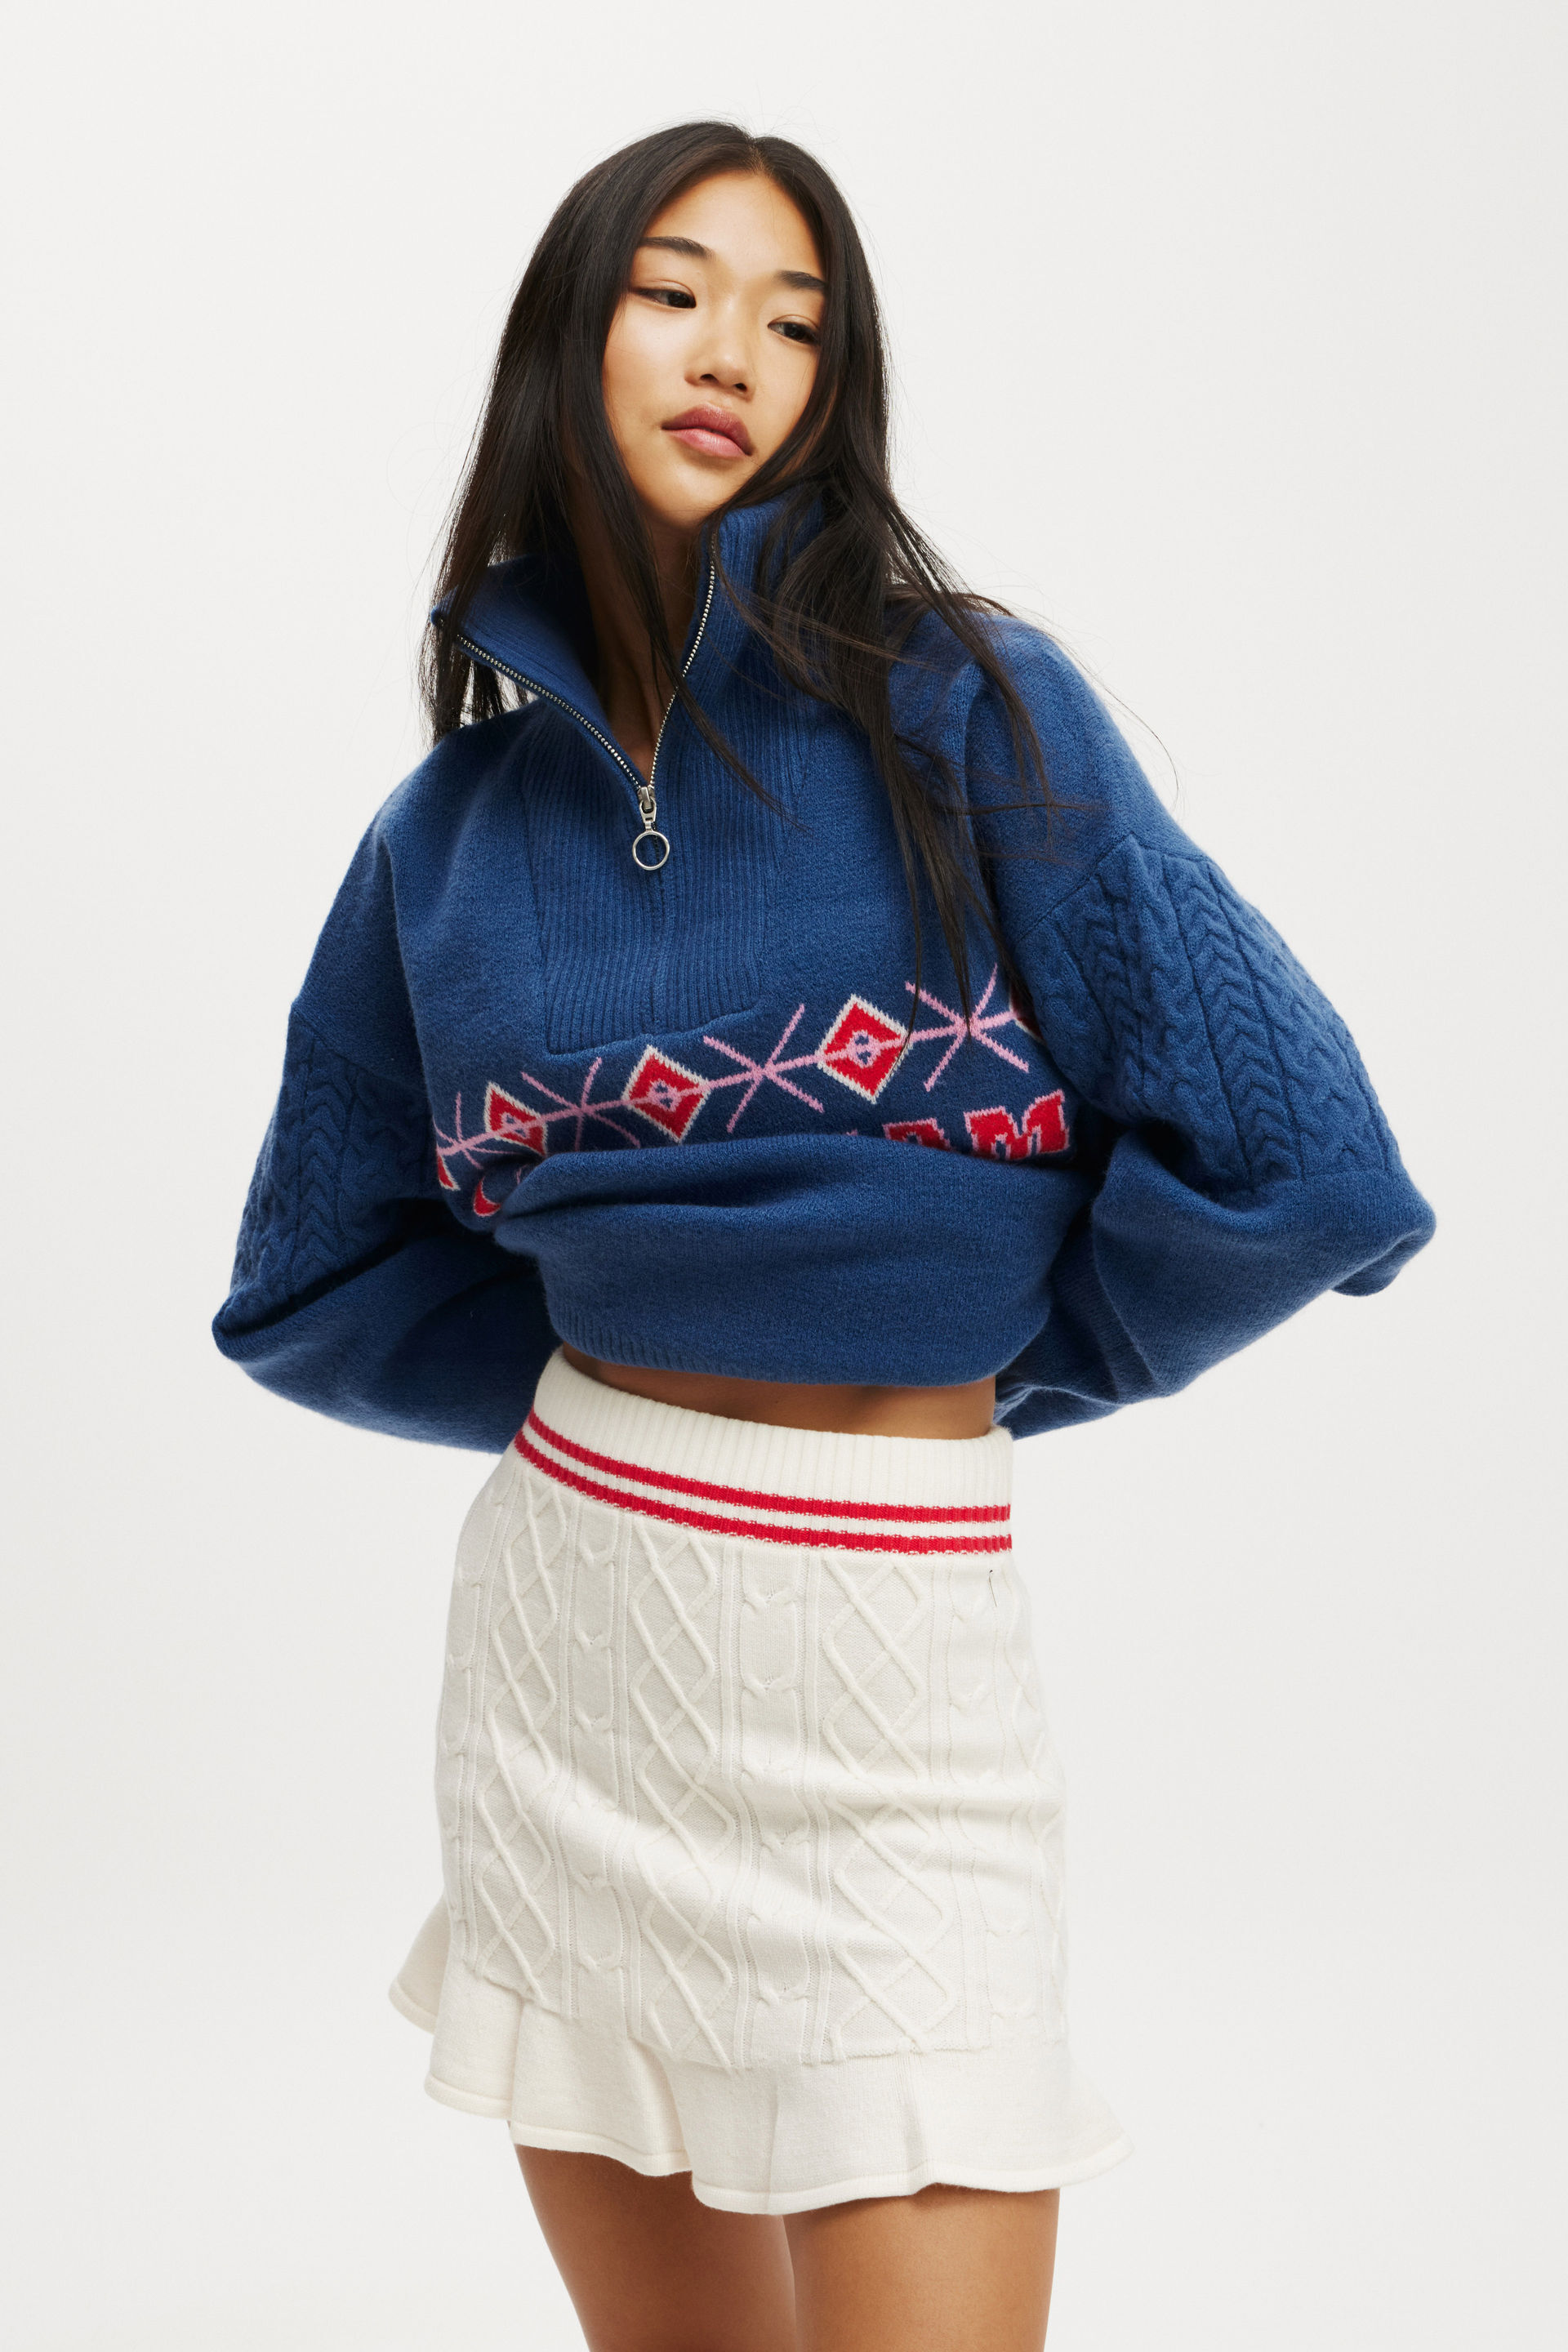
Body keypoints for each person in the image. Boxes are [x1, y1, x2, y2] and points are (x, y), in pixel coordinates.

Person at [213, 121, 1435, 2352]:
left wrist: (972, 1352)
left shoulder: (964, 705)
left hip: (895, 1664)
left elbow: (1301, 1159)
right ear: (567, 339)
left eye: (795, 323)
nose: (732, 356)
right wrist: (641, 1368)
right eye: (676, 292)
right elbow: (309, 1276)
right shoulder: (445, 836)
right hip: (578, 1657)